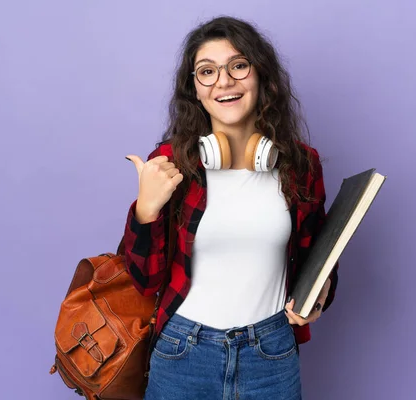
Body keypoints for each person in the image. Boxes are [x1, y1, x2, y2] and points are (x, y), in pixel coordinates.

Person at [123, 16, 339, 400]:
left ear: (262, 77)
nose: (223, 81)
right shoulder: (171, 162)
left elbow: (318, 257)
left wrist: (320, 292)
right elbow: (145, 282)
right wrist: (146, 210)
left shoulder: (301, 165)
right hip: (183, 351)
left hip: (270, 352)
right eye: (207, 71)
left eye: (238, 65)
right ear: (195, 89)